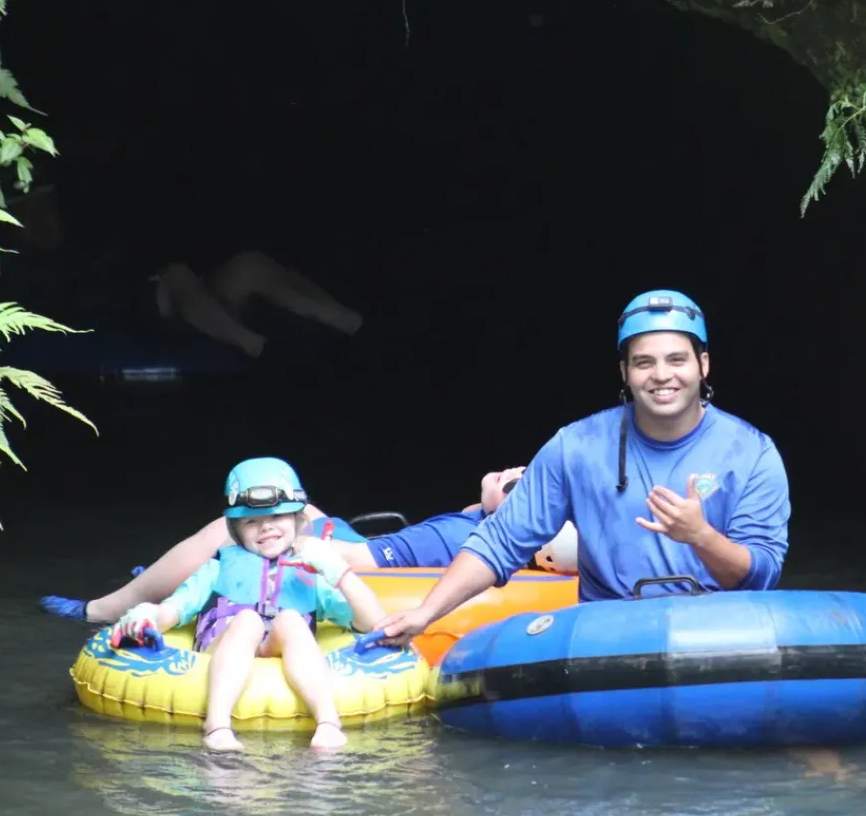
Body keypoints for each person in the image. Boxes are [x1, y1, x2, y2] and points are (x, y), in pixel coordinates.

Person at [375, 289, 792, 647]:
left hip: (718, 636)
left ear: (703, 366)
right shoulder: (575, 446)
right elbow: (500, 541)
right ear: (625, 372)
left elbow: (761, 575)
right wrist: (425, 613)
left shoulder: (752, 453)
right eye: (644, 362)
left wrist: (700, 537)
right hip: (606, 637)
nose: (662, 375)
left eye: (676, 360)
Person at [39, 466, 578, 624]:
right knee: (276, 490)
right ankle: (171, 577)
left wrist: (500, 490)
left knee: (230, 527)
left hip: (362, 560)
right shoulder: (477, 519)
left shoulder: (511, 527)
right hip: (368, 541)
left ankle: (105, 608)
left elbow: (514, 504)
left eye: (515, 477)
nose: (504, 471)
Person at [111, 456, 387, 752]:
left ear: (298, 520)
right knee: (248, 621)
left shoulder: (311, 573)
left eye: (277, 517)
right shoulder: (218, 568)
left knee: (291, 620)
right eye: (252, 521)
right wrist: (147, 614)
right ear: (236, 530)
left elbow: (373, 623)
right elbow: (174, 609)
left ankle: (328, 724)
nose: (266, 528)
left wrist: (338, 572)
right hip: (225, 641)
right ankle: (217, 725)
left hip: (280, 644)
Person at [0, 184, 364, 359]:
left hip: (169, 297)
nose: (45, 221)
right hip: (125, 313)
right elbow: (63, 306)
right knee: (176, 275)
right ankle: (258, 350)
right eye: (32, 215)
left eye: (47, 210)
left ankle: (345, 321)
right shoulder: (18, 263)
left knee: (248, 263)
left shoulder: (82, 241)